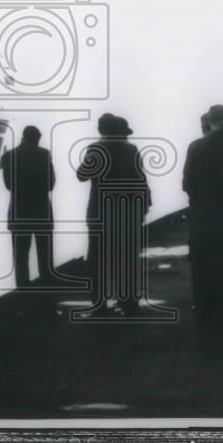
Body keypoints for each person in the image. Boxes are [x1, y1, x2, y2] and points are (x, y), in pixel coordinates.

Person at [76, 113, 151, 314]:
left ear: (101, 130)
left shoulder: (96, 149)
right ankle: (129, 303)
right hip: (128, 213)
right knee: (126, 259)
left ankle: (99, 305)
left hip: (101, 214)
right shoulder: (131, 149)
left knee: (98, 262)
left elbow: (82, 175)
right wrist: (143, 208)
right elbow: (140, 180)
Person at [182, 104, 223, 322]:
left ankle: (202, 307)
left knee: (201, 263)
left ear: (208, 120)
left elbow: (187, 183)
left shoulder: (195, 147)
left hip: (201, 215)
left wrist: (197, 200)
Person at [0, 125, 56, 288]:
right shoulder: (44, 154)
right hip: (41, 211)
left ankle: (23, 297)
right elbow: (51, 184)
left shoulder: (9, 156)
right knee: (45, 259)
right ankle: (48, 297)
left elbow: (9, 185)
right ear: (37, 138)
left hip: (19, 212)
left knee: (21, 259)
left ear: (23, 137)